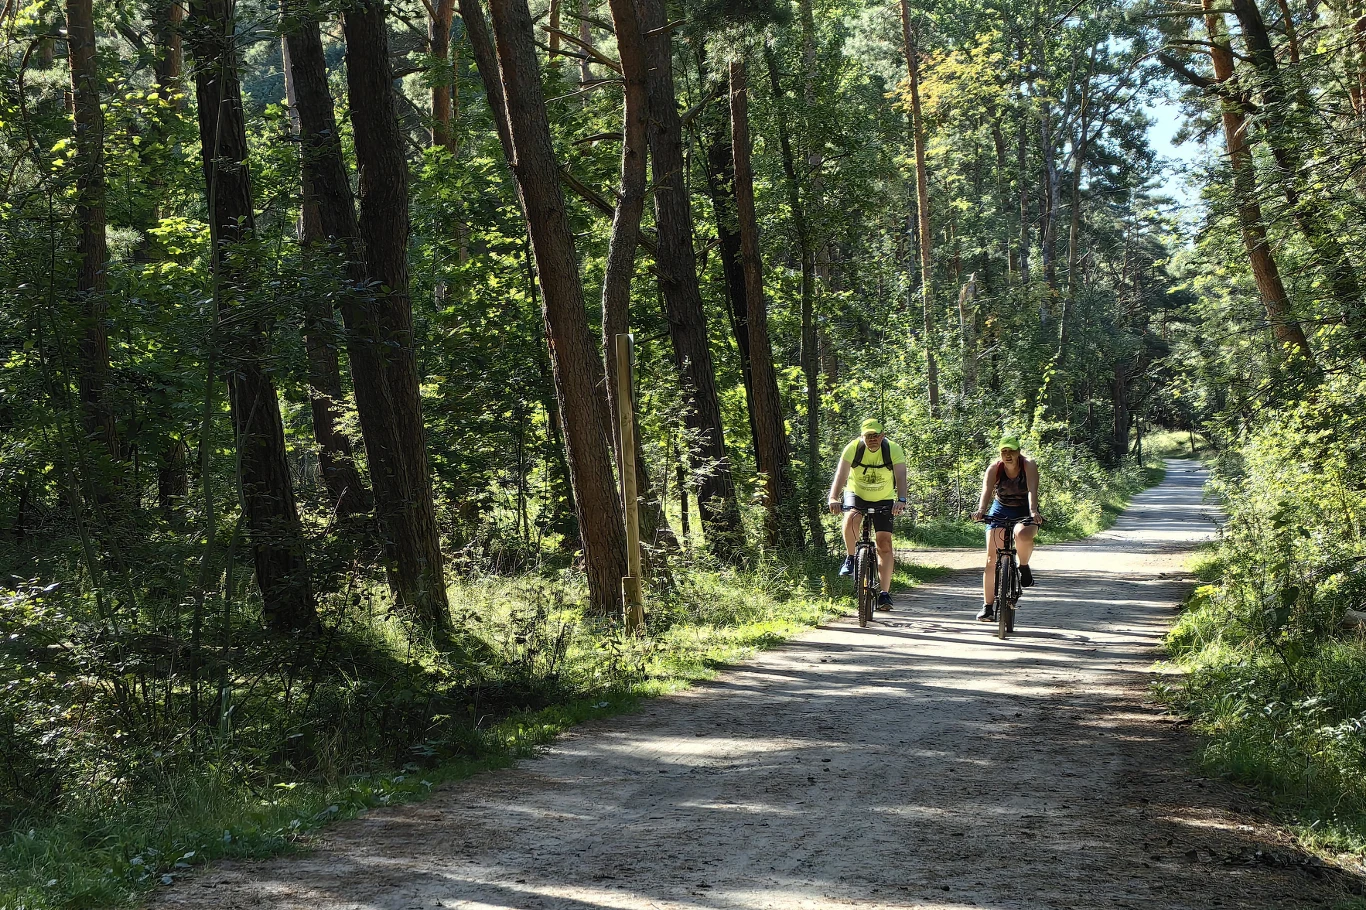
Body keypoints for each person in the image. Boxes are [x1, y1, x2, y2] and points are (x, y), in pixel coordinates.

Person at [827, 418, 908, 611]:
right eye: (868, 436)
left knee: (884, 544)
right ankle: (851, 557)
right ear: (862, 436)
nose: (872, 439)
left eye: (876, 435)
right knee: (851, 517)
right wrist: (833, 497)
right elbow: (841, 474)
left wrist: (901, 500)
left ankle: (885, 594)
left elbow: (901, 475)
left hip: (884, 497)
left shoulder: (893, 449)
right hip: (857, 494)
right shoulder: (853, 448)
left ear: (882, 435)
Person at [970, 434, 1042, 622]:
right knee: (991, 558)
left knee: (1022, 534)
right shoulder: (995, 468)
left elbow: (1033, 490)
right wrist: (980, 511)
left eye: (1011, 451)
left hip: (1024, 508)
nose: (1008, 455)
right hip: (1000, 508)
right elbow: (986, 491)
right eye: (1004, 451)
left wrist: (1033, 511)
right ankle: (987, 606)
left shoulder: (1028, 465)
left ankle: (1023, 566)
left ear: (1019, 452)